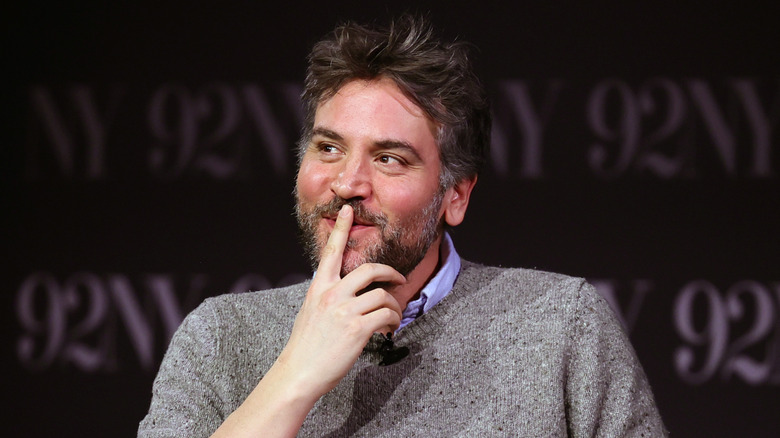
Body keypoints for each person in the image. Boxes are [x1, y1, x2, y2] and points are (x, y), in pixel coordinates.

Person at [138, 15, 667, 437]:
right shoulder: (222, 336)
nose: (348, 183)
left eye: (390, 158)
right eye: (328, 148)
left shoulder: (560, 327)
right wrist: (295, 375)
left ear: (455, 195)